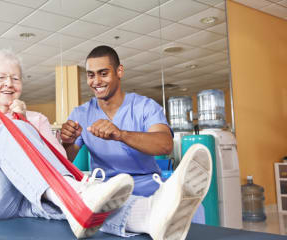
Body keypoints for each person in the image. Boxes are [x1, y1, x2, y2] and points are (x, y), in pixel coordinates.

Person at [0, 49, 135, 239]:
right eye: (0, 78)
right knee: (10, 129)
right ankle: (74, 195)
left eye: (15, 78)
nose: (9, 84)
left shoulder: (36, 119)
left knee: (100, 203)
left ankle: (147, 214)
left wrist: (24, 122)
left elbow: (59, 163)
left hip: (19, 198)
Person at [60, 45, 212, 238]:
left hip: (146, 185)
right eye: (91, 75)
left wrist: (120, 134)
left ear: (119, 71)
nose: (96, 81)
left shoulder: (144, 106)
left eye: (103, 73)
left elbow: (165, 144)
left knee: (194, 211)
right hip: (107, 190)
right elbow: (65, 161)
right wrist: (67, 142)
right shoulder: (80, 113)